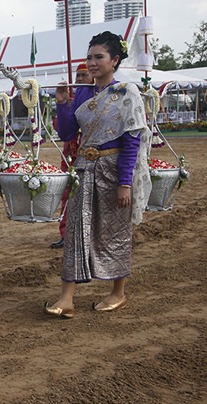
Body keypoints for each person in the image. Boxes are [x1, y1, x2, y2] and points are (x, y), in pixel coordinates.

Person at [44, 31, 151, 318]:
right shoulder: (82, 93)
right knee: (76, 230)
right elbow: (67, 133)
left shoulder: (127, 93)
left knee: (114, 232)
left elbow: (131, 141)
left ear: (114, 60)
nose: (92, 62)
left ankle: (118, 292)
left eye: (98, 57)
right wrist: (63, 104)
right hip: (84, 169)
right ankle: (66, 298)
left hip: (113, 171)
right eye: (89, 57)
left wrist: (125, 183)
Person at [50, 63, 93, 249]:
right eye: (78, 76)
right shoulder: (70, 99)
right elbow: (62, 130)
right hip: (71, 154)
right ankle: (66, 233)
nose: (80, 79)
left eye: (84, 75)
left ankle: (88, 234)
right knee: (67, 194)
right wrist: (63, 106)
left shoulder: (99, 97)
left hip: (92, 154)